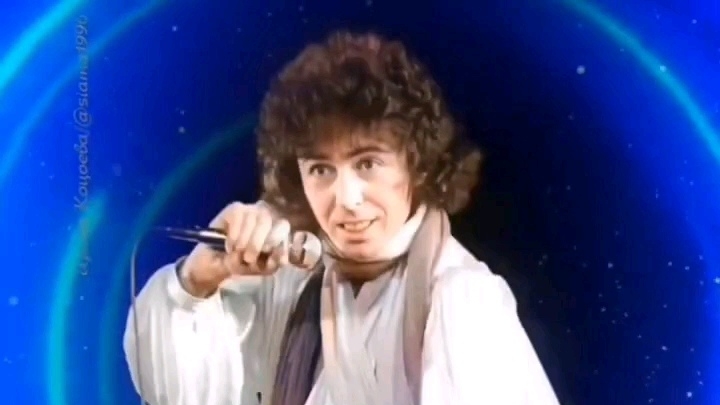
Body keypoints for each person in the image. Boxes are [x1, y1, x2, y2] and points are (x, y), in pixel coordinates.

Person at [123, 31, 560, 405]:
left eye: (367, 163)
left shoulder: (461, 299)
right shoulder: (293, 281)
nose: (347, 199)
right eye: (321, 170)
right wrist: (198, 280)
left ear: (416, 165)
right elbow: (175, 392)